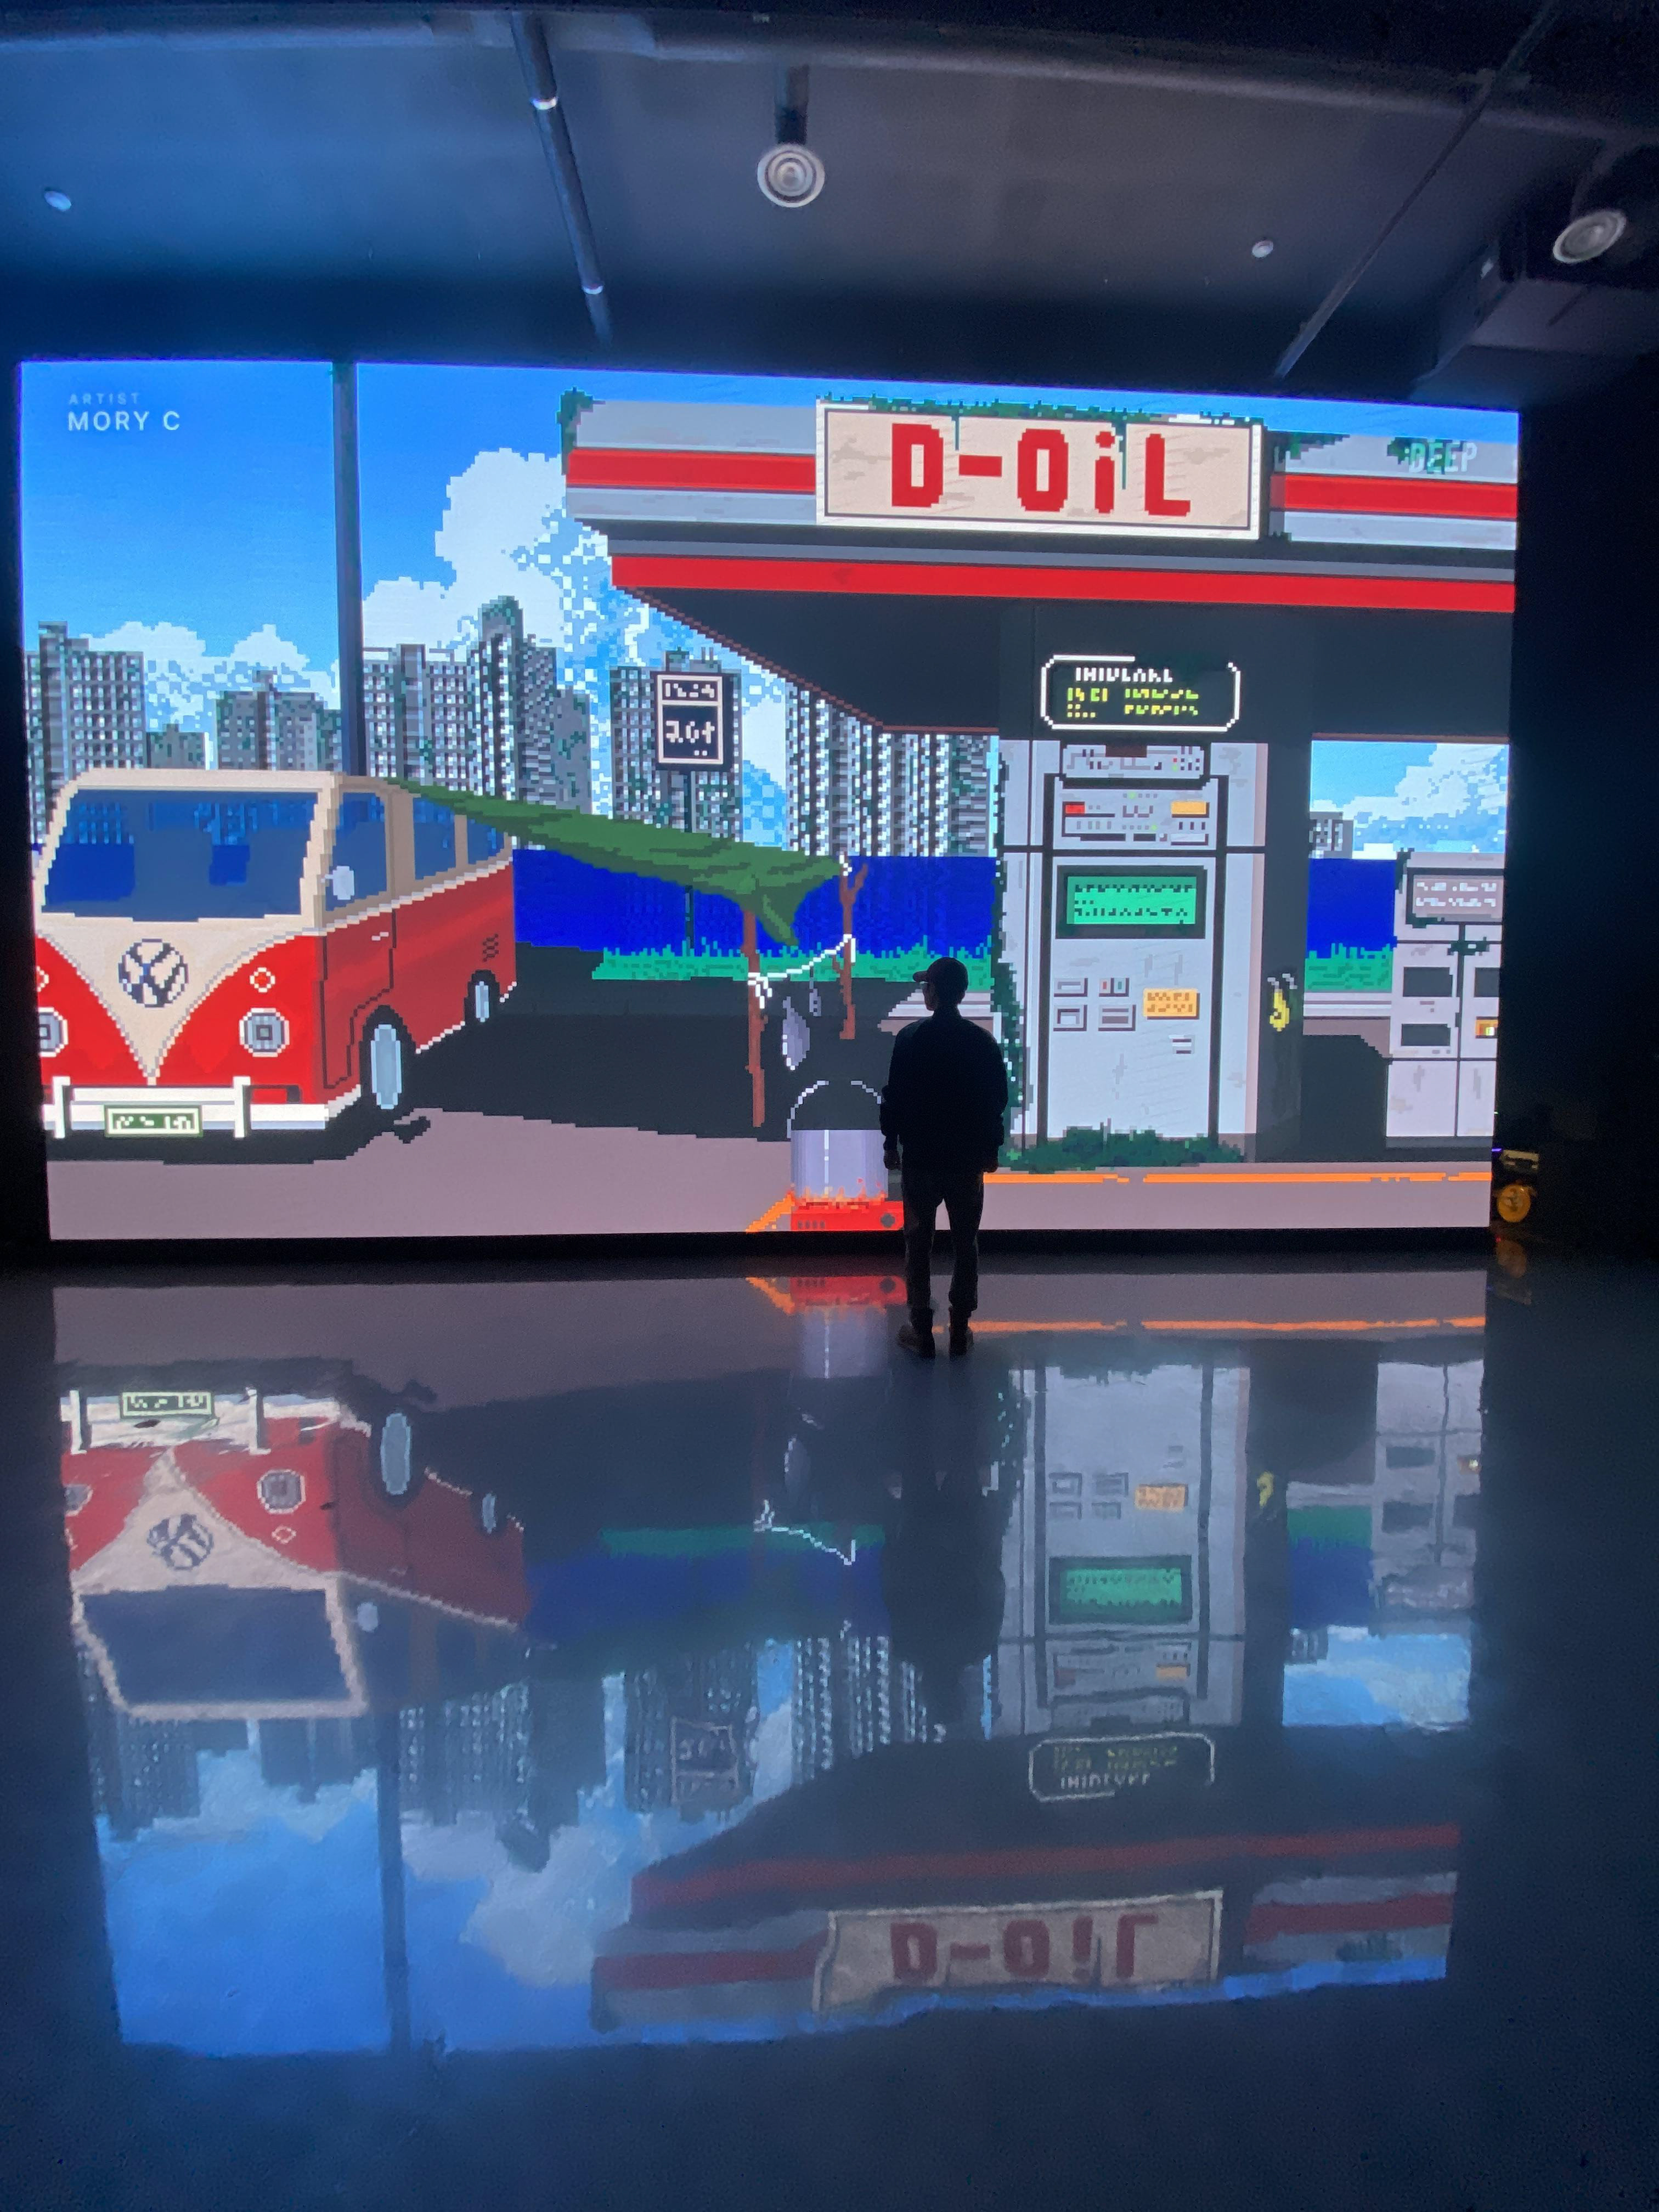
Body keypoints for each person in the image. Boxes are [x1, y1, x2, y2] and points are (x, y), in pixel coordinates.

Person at [879, 955, 1008, 1359]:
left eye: (927, 986)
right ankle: (959, 1327)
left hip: (921, 1159)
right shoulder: (982, 1043)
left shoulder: (911, 1039)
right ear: (963, 993)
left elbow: (894, 1098)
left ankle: (921, 1329)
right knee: (966, 1242)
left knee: (918, 1243)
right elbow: (995, 1103)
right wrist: (991, 1149)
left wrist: (890, 1144)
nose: (925, 992)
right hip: (965, 1161)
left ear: (934, 993)